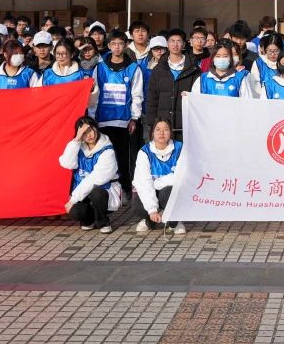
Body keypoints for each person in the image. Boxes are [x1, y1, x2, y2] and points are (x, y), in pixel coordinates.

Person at [92, 31, 145, 197]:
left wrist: (134, 118)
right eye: (113, 44)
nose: (117, 47)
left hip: (123, 121)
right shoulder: (100, 68)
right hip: (103, 120)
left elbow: (137, 95)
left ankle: (126, 190)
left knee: (123, 158)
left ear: (126, 45)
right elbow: (94, 94)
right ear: (108, 46)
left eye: (120, 43)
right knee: (105, 157)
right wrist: (92, 118)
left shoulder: (133, 68)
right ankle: (105, 190)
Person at [59, 115, 121, 234]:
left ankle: (103, 221)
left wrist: (73, 199)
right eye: (84, 133)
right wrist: (76, 140)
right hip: (83, 192)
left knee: (96, 193)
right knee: (75, 212)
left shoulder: (107, 151)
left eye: (90, 130)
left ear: (96, 128)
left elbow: (95, 179)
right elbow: (66, 163)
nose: (89, 135)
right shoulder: (79, 148)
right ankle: (89, 220)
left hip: (104, 191)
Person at [144, 30, 200, 141]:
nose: (175, 44)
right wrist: (152, 123)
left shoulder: (194, 70)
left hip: (185, 126)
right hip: (163, 126)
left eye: (179, 41)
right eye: (172, 41)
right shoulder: (158, 70)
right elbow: (152, 98)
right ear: (167, 44)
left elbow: (198, 99)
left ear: (184, 44)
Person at [131, 118, 185, 234]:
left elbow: (181, 176)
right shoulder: (144, 152)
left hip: (166, 190)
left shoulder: (180, 148)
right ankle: (150, 220)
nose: (161, 133)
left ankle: (174, 222)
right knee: (138, 205)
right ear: (152, 133)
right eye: (158, 129)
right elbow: (143, 182)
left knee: (169, 192)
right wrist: (152, 210)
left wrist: (156, 182)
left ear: (170, 132)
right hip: (150, 190)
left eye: (166, 129)